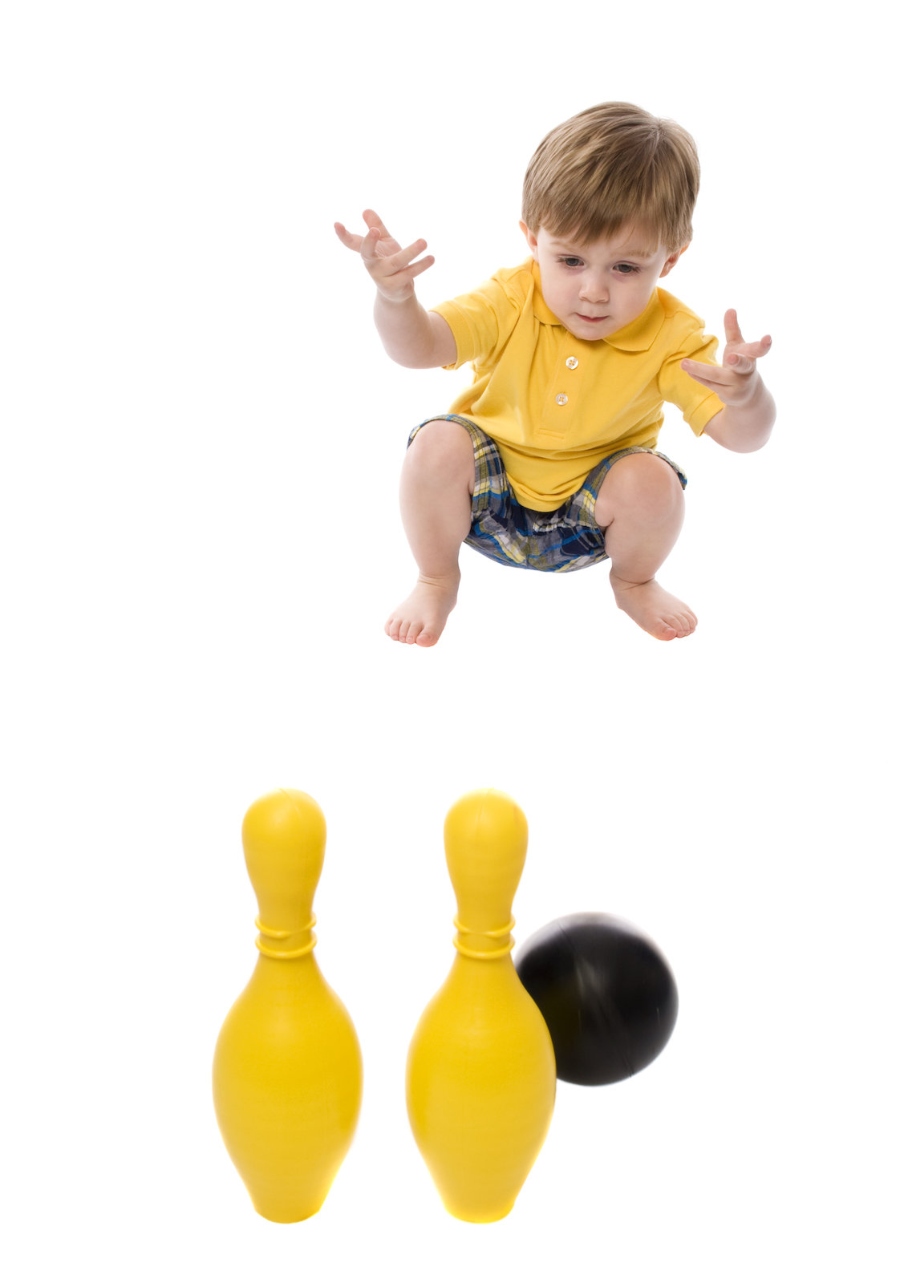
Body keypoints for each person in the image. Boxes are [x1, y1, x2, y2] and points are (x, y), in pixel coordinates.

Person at [335, 102, 775, 646]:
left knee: (654, 483)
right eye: (570, 261)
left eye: (625, 268)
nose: (594, 291)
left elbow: (744, 438)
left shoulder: (675, 336)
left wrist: (747, 396)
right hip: (482, 507)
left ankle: (635, 581)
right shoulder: (511, 296)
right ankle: (436, 577)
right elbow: (418, 347)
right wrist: (396, 298)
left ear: (670, 260)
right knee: (436, 443)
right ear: (531, 238)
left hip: (592, 526)